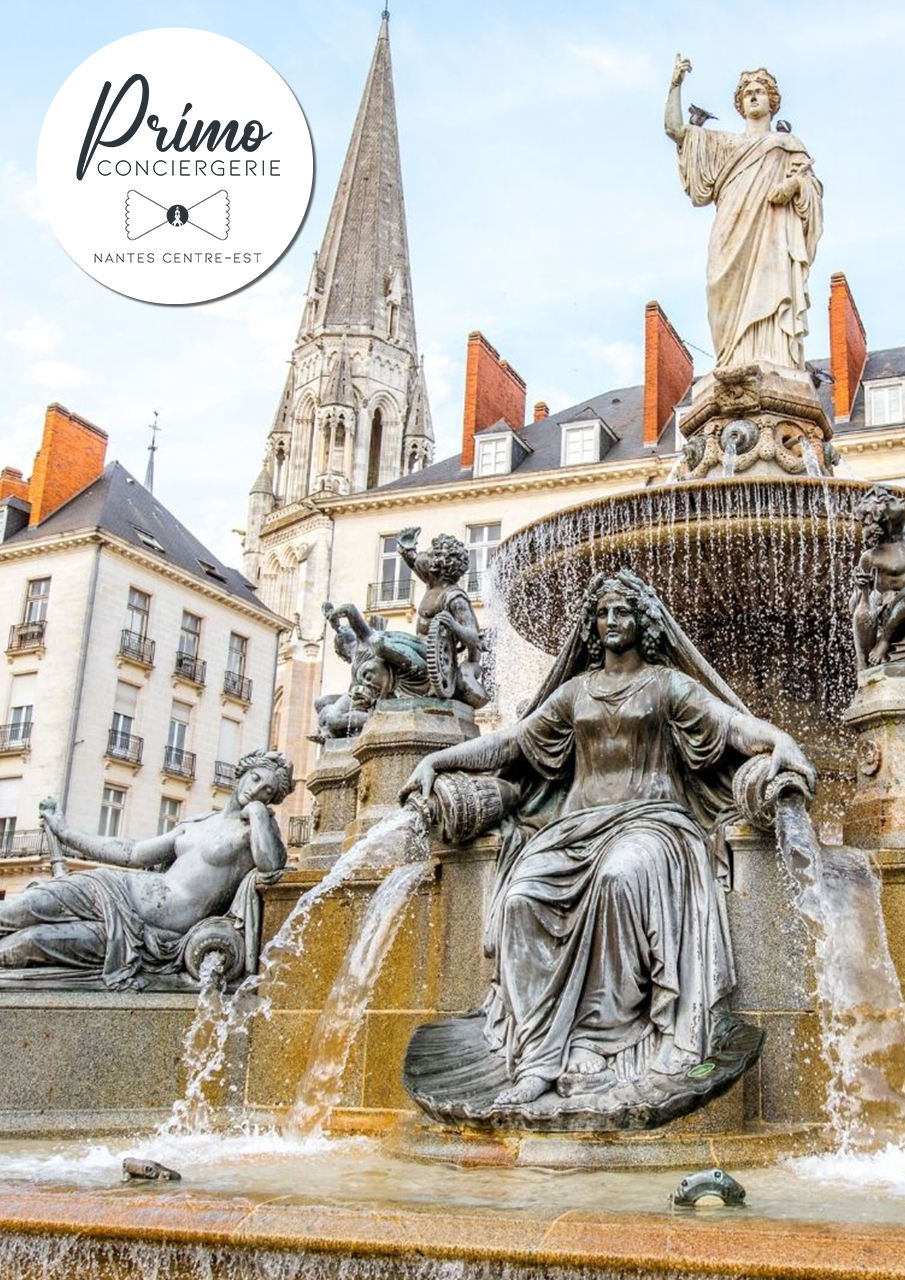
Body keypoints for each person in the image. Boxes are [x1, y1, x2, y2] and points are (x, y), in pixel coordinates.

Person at [401, 570, 815, 1111]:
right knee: (521, 901)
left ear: (642, 621)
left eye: (623, 612)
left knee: (621, 877)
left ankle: (601, 1039)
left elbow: (731, 724)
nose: (613, 621)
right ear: (593, 627)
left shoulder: (667, 684)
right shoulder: (576, 692)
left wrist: (780, 740)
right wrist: (437, 758)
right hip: (573, 829)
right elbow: (508, 744)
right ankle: (538, 1056)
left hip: (653, 823)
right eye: (603, 614)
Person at [0, 749, 295, 990]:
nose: (257, 790)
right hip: (114, 888)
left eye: (267, 791)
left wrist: (258, 814)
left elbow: (271, 867)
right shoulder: (198, 823)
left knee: (29, 943)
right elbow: (132, 853)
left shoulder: (255, 833)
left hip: (147, 930)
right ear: (242, 774)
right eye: (255, 779)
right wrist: (65, 834)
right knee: (23, 908)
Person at [665, 57, 823, 372]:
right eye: (747, 91)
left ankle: (773, 358)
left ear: (772, 101)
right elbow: (675, 129)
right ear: (740, 102)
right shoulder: (725, 144)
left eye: (760, 91)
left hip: (771, 235)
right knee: (719, 293)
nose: (753, 95)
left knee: (771, 288)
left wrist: (793, 185)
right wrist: (675, 86)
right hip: (729, 233)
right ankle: (731, 360)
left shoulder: (787, 145)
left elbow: (812, 190)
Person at [396, 527, 488, 708]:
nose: (424, 556)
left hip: (436, 658)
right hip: (419, 647)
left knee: (380, 642)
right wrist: (407, 546)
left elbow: (475, 639)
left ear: (437, 564)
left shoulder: (455, 597)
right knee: (382, 646)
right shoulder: (431, 581)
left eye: (429, 554)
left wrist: (454, 625)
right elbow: (413, 559)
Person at [851, 485, 905, 668]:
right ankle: (885, 642)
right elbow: (856, 605)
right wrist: (862, 589)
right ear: (884, 517)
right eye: (892, 501)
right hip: (891, 611)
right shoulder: (871, 556)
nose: (901, 501)